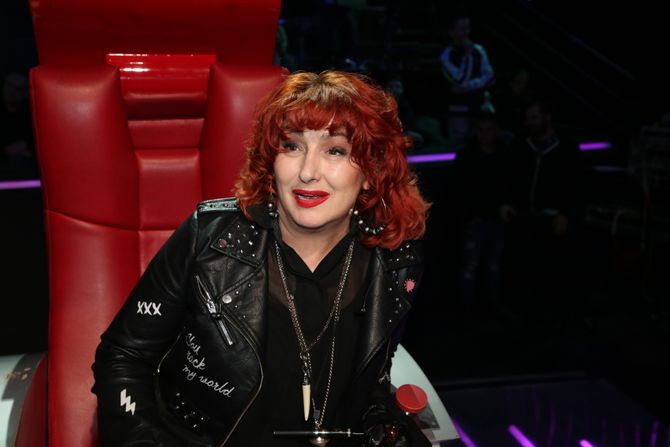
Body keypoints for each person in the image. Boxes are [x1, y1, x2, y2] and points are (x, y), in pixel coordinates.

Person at [92, 70, 432, 446]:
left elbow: (372, 380)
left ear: (372, 171)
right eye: (292, 146)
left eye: (335, 150)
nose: (307, 172)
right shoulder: (210, 236)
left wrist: (382, 420)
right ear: (271, 159)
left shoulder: (395, 259)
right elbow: (122, 357)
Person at [452, 113, 508, 315]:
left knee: (492, 265)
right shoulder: (468, 156)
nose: (485, 134)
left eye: (489, 129)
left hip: (497, 219)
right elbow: (459, 190)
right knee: (472, 267)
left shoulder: (503, 154)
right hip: (475, 220)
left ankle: (490, 306)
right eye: (481, 130)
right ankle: (468, 311)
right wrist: (468, 215)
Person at [439, 12, 495, 150]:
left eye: (467, 28)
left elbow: (490, 77)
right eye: (461, 29)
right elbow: (459, 79)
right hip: (458, 111)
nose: (466, 33)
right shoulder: (446, 55)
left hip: (478, 108)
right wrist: (468, 56)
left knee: (481, 145)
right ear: (451, 32)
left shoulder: (478, 50)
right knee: (461, 147)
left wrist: (468, 86)